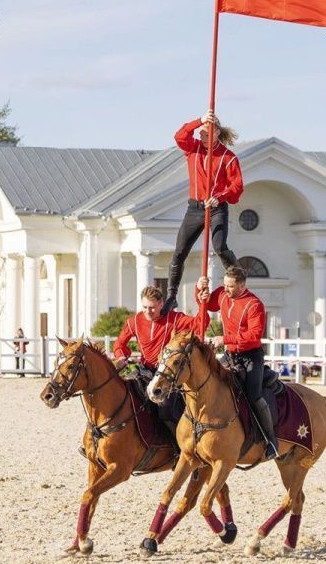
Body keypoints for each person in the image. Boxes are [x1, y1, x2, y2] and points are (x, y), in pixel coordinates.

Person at [161, 109, 243, 316]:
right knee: (180, 252)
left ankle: (238, 279)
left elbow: (237, 187)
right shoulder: (193, 149)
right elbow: (180, 136)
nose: (202, 136)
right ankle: (171, 296)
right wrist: (200, 120)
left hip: (216, 209)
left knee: (220, 247)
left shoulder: (228, 158)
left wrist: (221, 196)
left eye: (206, 133)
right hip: (194, 208)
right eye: (201, 133)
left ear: (216, 133)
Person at [202, 265, 277, 460]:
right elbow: (206, 304)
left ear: (242, 285)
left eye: (230, 286)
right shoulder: (222, 294)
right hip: (230, 355)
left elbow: (254, 335)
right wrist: (200, 289)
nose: (225, 289)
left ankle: (270, 441)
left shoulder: (254, 305)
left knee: (253, 396)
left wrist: (225, 339)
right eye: (224, 284)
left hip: (251, 357)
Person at [113, 283, 209, 372]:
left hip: (168, 371)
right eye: (145, 307)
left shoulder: (174, 318)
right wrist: (121, 357)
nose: (148, 311)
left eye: (152, 307)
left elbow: (200, 325)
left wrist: (201, 303)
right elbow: (119, 344)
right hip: (145, 370)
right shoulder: (133, 321)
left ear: (161, 304)